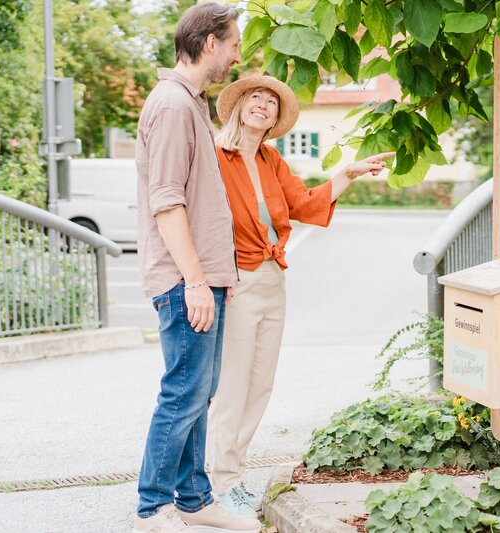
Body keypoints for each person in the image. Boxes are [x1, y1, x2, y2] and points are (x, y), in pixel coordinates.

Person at [206, 74, 393, 517]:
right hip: (236, 280)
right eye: (256, 97)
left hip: (273, 278)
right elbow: (203, 219)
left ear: (274, 120)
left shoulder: (271, 161)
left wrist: (347, 173)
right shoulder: (215, 156)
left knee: (259, 385)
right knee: (232, 387)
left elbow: (305, 203)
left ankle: (233, 477)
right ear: (238, 106)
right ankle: (219, 483)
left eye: (271, 102)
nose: (263, 105)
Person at [133, 3, 260, 532]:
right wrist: (196, 281)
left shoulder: (192, 104)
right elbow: (166, 202)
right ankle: (153, 507)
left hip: (206, 279)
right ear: (210, 43)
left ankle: (193, 499)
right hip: (187, 281)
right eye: (233, 45)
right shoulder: (171, 104)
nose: (236, 56)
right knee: (183, 391)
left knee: (200, 392)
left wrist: (216, 277)